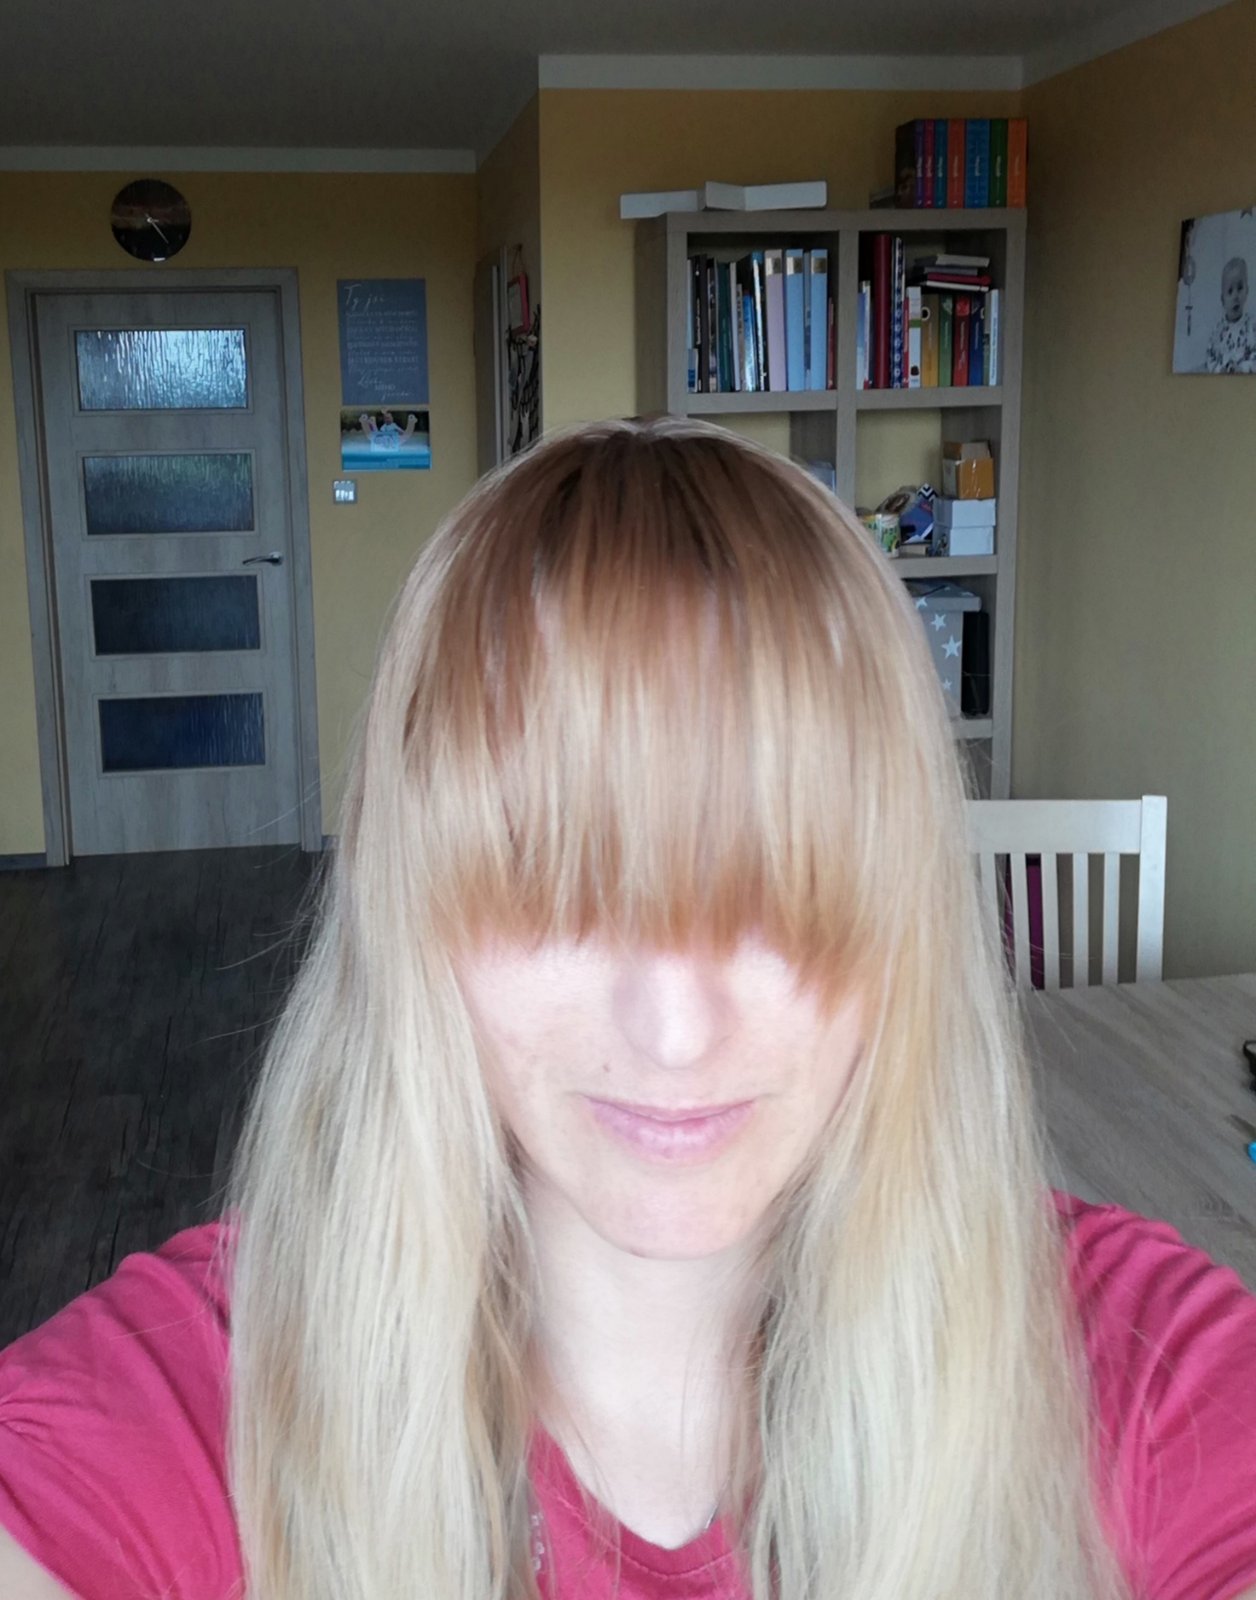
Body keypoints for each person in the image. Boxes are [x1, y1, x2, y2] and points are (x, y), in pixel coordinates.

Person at [2, 418, 1255, 1600]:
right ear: (412, 912)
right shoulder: (201, 1386)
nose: (673, 1034)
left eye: (773, 898)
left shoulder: (1140, 1368)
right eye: (557, 893)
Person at [1205, 256, 1256, 373]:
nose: (1235, 296)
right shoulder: (1218, 330)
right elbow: (1210, 358)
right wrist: (1219, 369)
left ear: (1247, 291)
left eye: (1240, 288)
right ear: (1223, 300)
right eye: (1230, 291)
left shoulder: (1252, 327)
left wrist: (1243, 368)